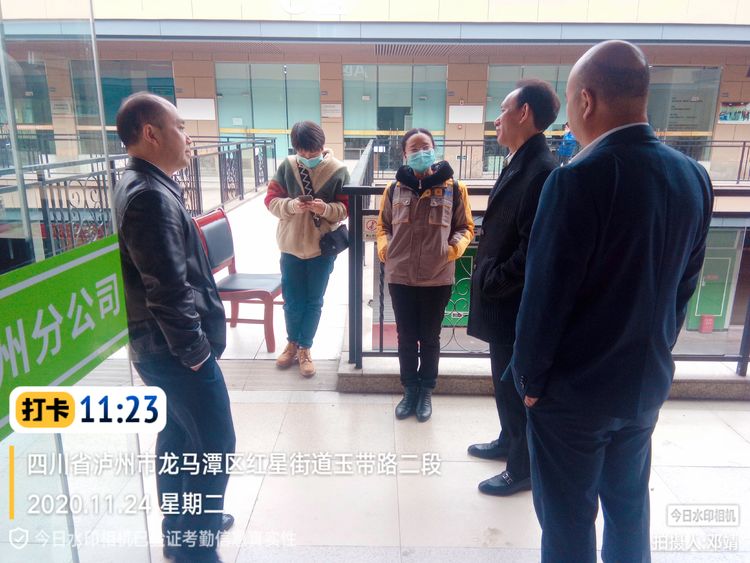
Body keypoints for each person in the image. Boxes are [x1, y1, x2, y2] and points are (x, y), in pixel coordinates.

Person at [510, 41, 713, 562]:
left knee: (568, 519)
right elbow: (684, 287)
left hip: (574, 395)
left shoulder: (575, 179)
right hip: (644, 385)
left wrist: (528, 381)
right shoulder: (693, 176)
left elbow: (545, 295)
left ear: (586, 101)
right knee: (628, 510)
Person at [113, 92, 236, 563]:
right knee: (215, 443)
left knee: (179, 438)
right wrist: (197, 354)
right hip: (173, 351)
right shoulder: (148, 196)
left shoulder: (145, 183)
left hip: (158, 346)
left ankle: (181, 529)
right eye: (180, 127)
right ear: (151, 133)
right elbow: (166, 288)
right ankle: (195, 549)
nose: (188, 137)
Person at [466, 79, 559, 496]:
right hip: (501, 298)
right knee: (503, 381)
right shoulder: (520, 159)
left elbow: (533, 246)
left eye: (503, 110)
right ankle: (508, 440)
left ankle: (521, 468)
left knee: (515, 384)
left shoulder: (542, 171)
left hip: (512, 300)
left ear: (524, 113)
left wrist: (495, 279)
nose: (497, 119)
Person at [376, 128, 474, 422]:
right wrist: (386, 249)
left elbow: (466, 227)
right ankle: (409, 390)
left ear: (434, 149)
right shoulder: (394, 189)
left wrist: (451, 250)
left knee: (430, 337)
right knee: (406, 337)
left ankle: (426, 390)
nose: (421, 152)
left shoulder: (454, 188)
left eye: (426, 147)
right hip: (400, 276)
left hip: (437, 276)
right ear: (404, 154)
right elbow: (383, 226)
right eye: (414, 148)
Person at [265, 121, 350, 377]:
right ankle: (291, 343)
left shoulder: (338, 171)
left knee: (314, 301)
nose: (308, 156)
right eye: (302, 151)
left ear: (322, 145)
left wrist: (325, 209)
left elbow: (345, 209)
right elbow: (270, 200)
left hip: (321, 249)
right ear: (296, 148)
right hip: (290, 246)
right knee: (292, 301)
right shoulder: (287, 166)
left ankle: (305, 347)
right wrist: (291, 206)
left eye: (313, 151)